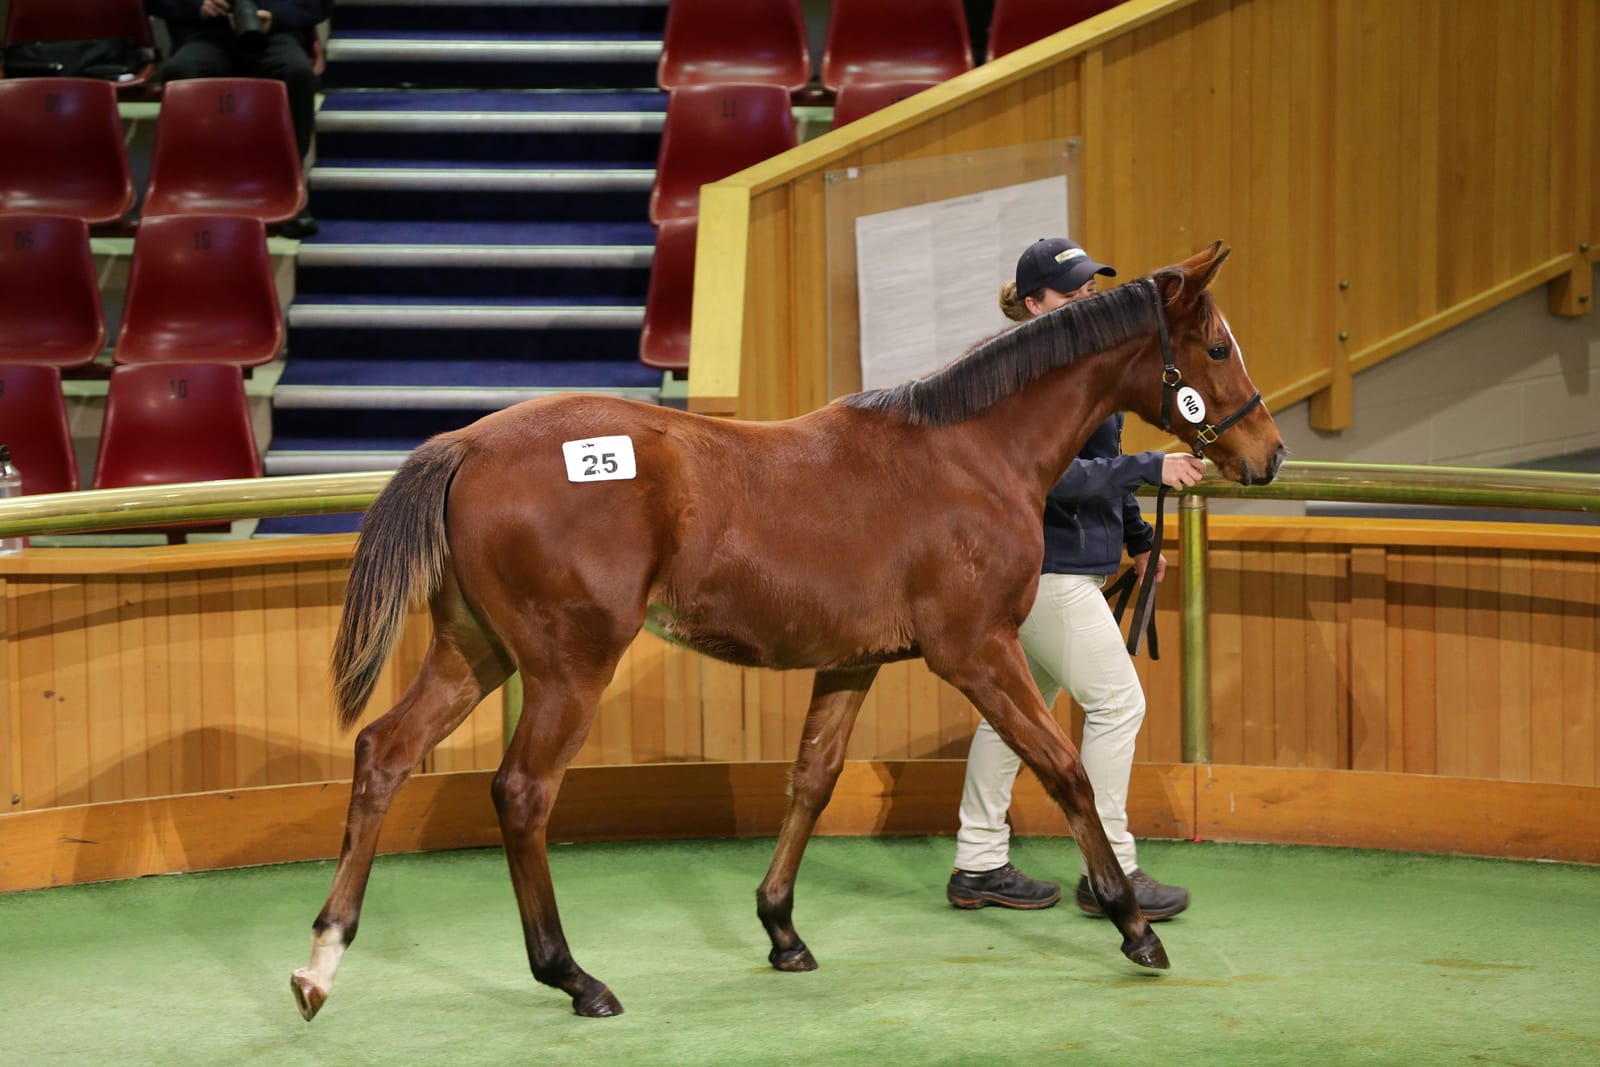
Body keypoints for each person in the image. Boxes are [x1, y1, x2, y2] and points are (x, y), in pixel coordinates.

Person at [944, 237, 1204, 920]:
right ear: (1035, 305)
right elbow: (1049, 476)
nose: (1088, 299)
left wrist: (1140, 540)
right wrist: (1149, 468)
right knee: (1120, 704)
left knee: (1013, 718)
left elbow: (1104, 461)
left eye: (1091, 288)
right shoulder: (1019, 379)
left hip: (1063, 569)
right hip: (1045, 570)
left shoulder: (1080, 370)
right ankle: (1109, 867)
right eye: (1073, 292)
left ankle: (977, 863)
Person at [145, 0, 332, 237]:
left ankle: (289, 189)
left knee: (297, 73)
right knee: (182, 72)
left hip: (275, 35)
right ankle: (197, 187)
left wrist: (274, 16)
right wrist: (197, 6)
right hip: (206, 35)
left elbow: (319, 5)